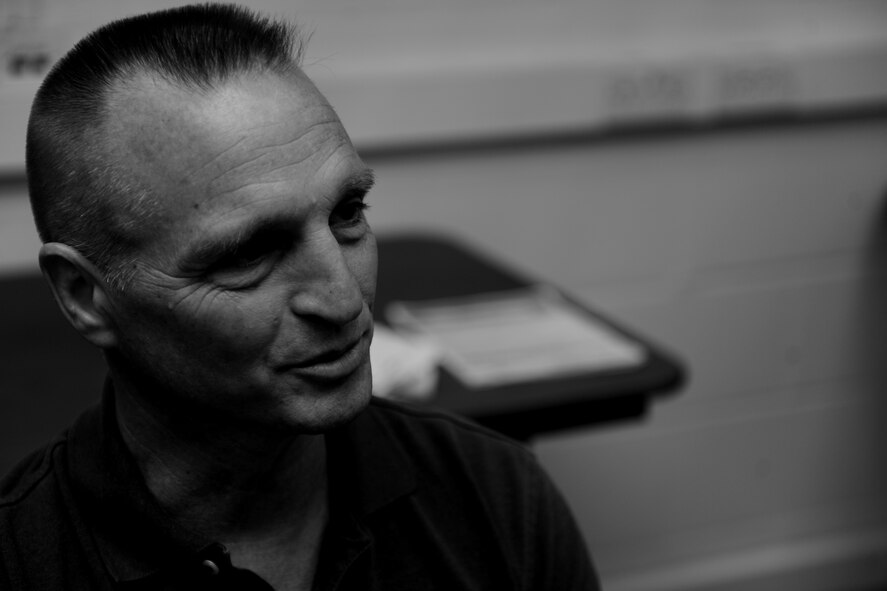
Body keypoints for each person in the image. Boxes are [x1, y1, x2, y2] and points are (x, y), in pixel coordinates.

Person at [0, 4, 599, 590]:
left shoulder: (499, 502)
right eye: (247, 254)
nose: (344, 302)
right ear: (85, 296)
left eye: (347, 213)